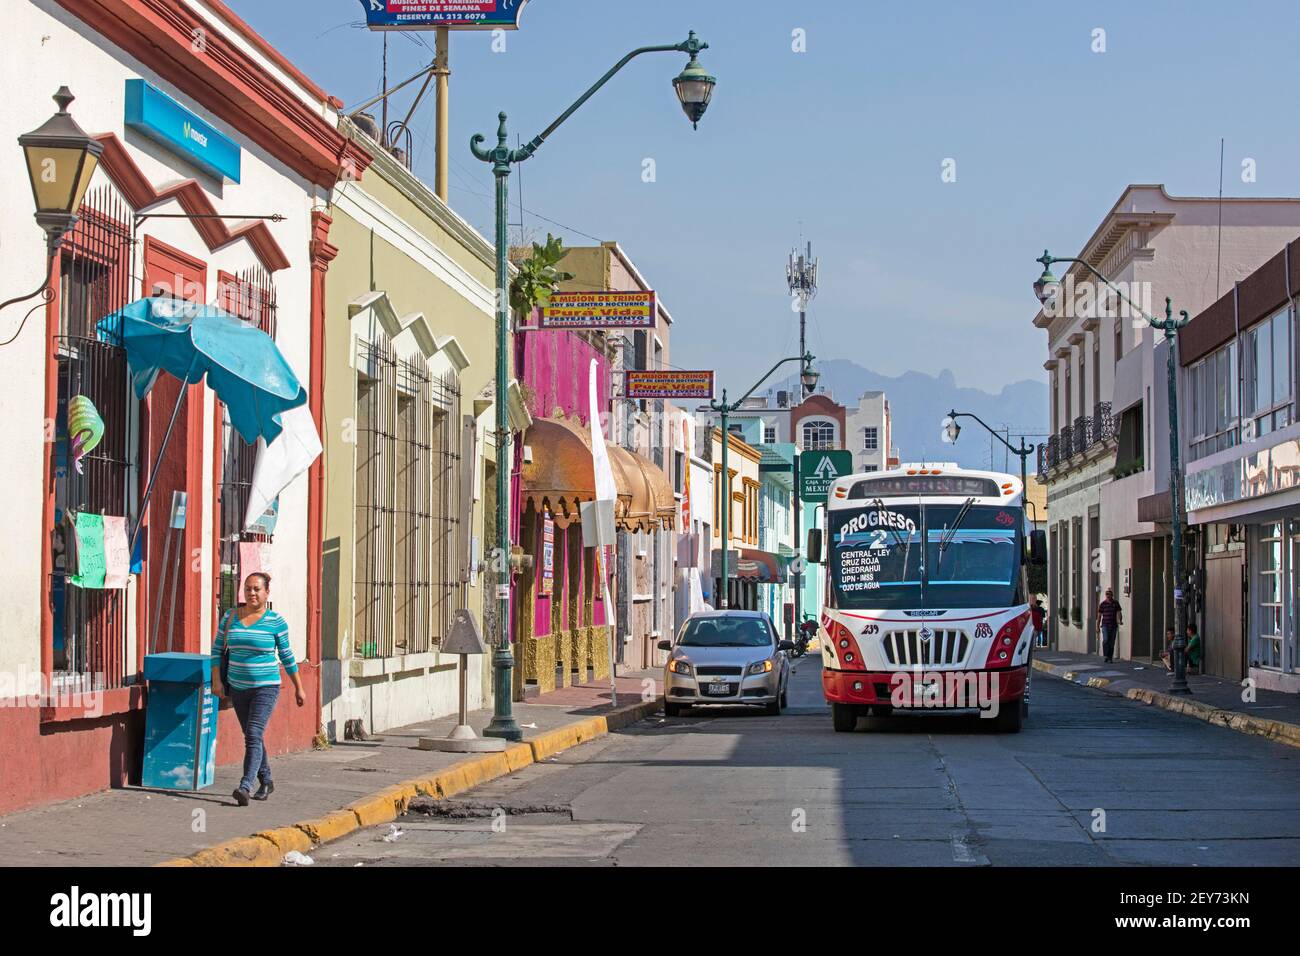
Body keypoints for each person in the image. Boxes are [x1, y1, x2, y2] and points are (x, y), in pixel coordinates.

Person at [211, 572, 305, 806]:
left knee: (253, 734)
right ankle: (267, 780)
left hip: (266, 687)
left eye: (256, 589)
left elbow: (287, 655)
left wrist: (298, 688)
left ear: (266, 593)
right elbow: (215, 651)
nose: (251, 593)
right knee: (253, 736)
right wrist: (216, 681)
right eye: (248, 589)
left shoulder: (276, 622)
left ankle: (245, 786)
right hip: (238, 687)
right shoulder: (230, 617)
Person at [1097, 587, 1123, 663]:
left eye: (1109, 594)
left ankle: (1110, 657)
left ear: (1112, 595)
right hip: (1105, 625)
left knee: (1112, 642)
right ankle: (1106, 655)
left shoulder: (1116, 603)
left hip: (1114, 625)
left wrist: (1120, 620)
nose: (1108, 595)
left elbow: (1119, 612)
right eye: (1107, 594)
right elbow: (1099, 616)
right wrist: (1097, 627)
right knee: (1106, 640)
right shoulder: (1102, 604)